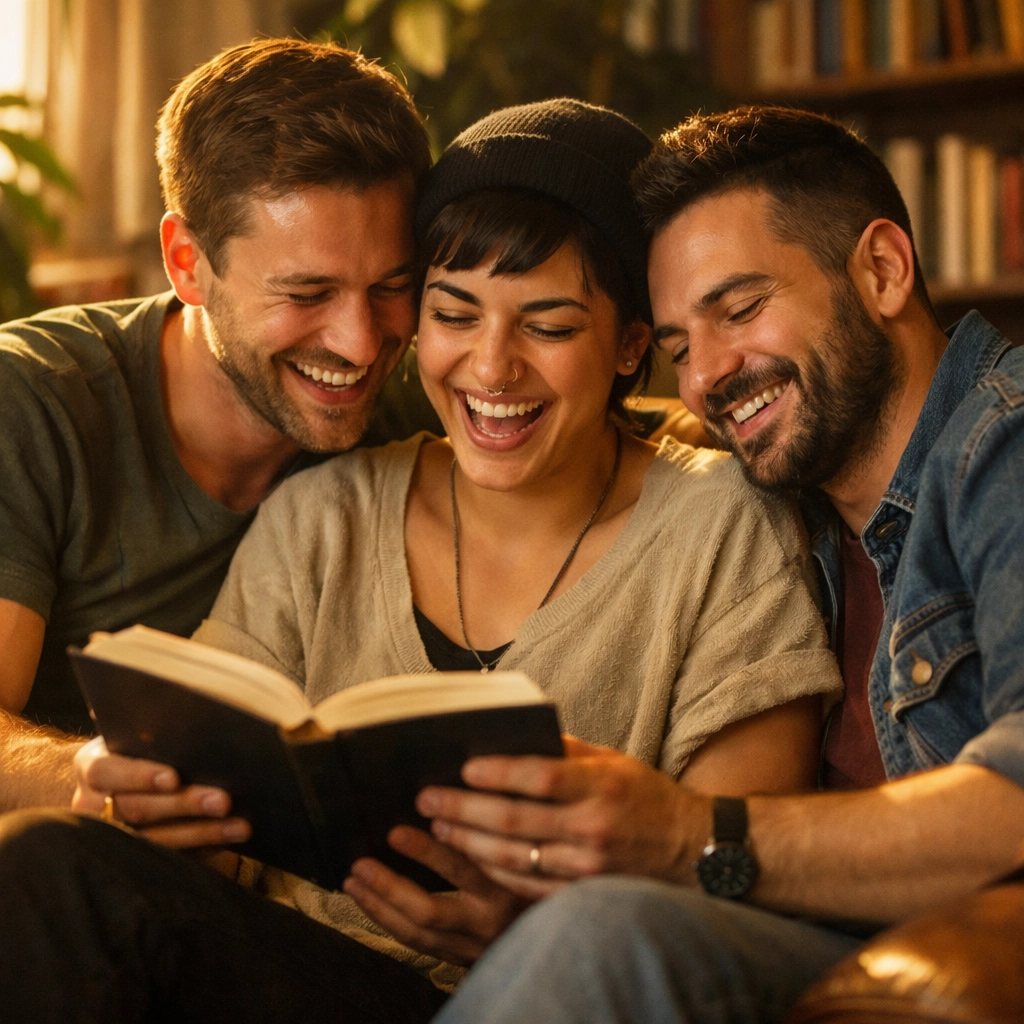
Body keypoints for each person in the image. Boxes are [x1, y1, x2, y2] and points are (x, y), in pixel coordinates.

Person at [0, 100, 841, 1023]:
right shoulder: (324, 505)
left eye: (550, 328)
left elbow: (732, 874)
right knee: (46, 866)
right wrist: (183, 820)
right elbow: (217, 796)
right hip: (295, 972)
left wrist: (538, 921)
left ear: (632, 344)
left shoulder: (726, 522)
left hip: (549, 984)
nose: (491, 368)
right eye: (451, 314)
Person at [423, 105, 1024, 1024]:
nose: (706, 377)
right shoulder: (785, 510)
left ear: (883, 270)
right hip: (824, 951)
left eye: (740, 309)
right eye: (675, 348)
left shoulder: (1005, 446)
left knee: (601, 938)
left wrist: (683, 834)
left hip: (948, 953)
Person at [0, 37, 437, 810]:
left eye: (391, 287)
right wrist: (90, 782)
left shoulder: (404, 402)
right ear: (186, 261)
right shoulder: (31, 400)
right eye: (307, 294)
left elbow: (599, 423)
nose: (362, 344)